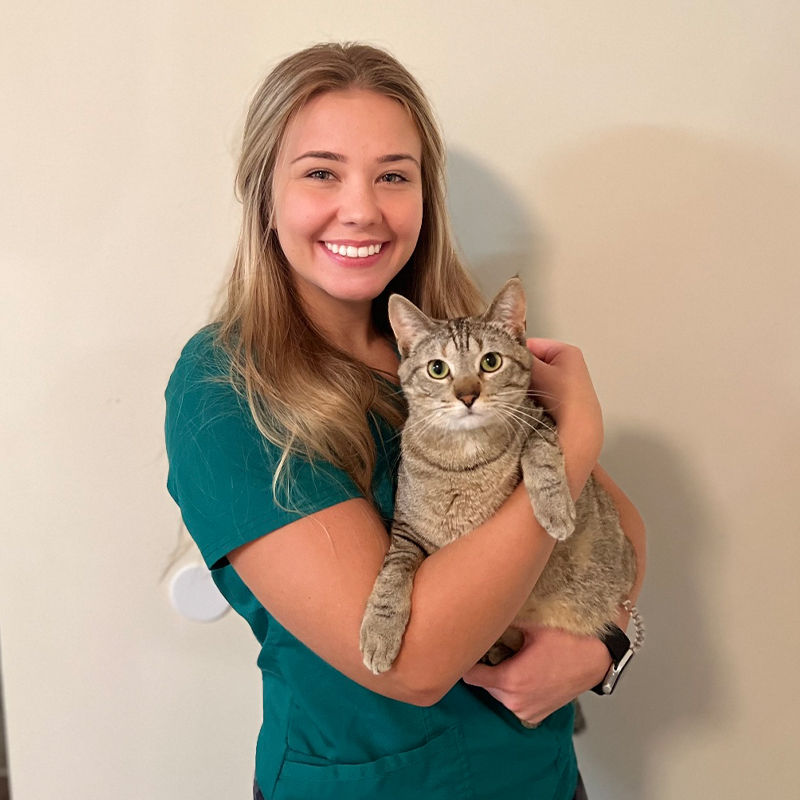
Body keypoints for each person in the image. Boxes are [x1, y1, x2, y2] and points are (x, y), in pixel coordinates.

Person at [164, 42, 646, 800]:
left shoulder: (450, 346)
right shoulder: (227, 387)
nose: (362, 207)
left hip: (540, 779)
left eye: (394, 175)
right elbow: (415, 663)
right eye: (322, 172)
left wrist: (607, 644)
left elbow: (621, 530)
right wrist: (578, 438)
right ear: (263, 192)